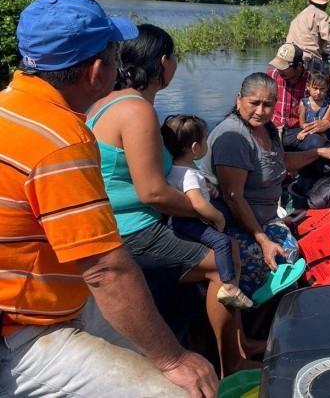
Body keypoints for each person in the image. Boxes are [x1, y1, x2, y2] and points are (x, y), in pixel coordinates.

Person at [0, 0, 218, 397]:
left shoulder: (11, 107)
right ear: (98, 70)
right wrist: (174, 360)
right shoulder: (60, 140)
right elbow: (105, 271)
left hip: (53, 293)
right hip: (23, 329)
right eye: (115, 58)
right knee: (175, 390)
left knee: (146, 341)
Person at [86, 24, 260, 378]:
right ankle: (233, 361)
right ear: (164, 62)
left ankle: (209, 340)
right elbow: (153, 193)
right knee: (226, 256)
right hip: (132, 230)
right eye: (175, 57)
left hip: (117, 220)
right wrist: (203, 211)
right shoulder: (137, 110)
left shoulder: (106, 102)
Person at [200, 73, 330, 296]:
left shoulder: (267, 127)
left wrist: (319, 151)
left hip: (265, 217)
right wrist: (263, 241)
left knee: (297, 255)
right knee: (266, 270)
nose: (261, 111)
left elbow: (282, 160)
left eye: (268, 104)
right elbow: (233, 197)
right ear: (239, 99)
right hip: (234, 225)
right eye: (254, 103)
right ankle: (258, 313)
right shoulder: (233, 137)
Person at [161, 114, 253, 309]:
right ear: (195, 148)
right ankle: (228, 286)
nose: (206, 144)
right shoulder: (189, 174)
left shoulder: (179, 168)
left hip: (176, 221)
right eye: (205, 140)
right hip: (186, 222)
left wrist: (208, 189)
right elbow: (198, 204)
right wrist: (218, 217)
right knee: (222, 242)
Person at [267, 43, 330, 152]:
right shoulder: (271, 76)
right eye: (278, 66)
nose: (279, 70)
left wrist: (329, 122)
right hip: (275, 129)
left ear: (299, 66)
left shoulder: (313, 82)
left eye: (284, 68)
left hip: (300, 131)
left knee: (316, 143)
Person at [285, 0, 330, 71]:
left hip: (289, 59)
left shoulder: (298, 17)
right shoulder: (322, 15)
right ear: (325, 4)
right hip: (308, 61)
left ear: (309, 1)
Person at [298, 71, 330, 143]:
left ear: (327, 88)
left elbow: (322, 124)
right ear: (308, 86)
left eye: (322, 89)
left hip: (325, 133)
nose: (318, 92)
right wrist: (306, 132)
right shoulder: (303, 103)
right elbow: (302, 124)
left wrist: (320, 133)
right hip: (308, 131)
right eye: (315, 88)